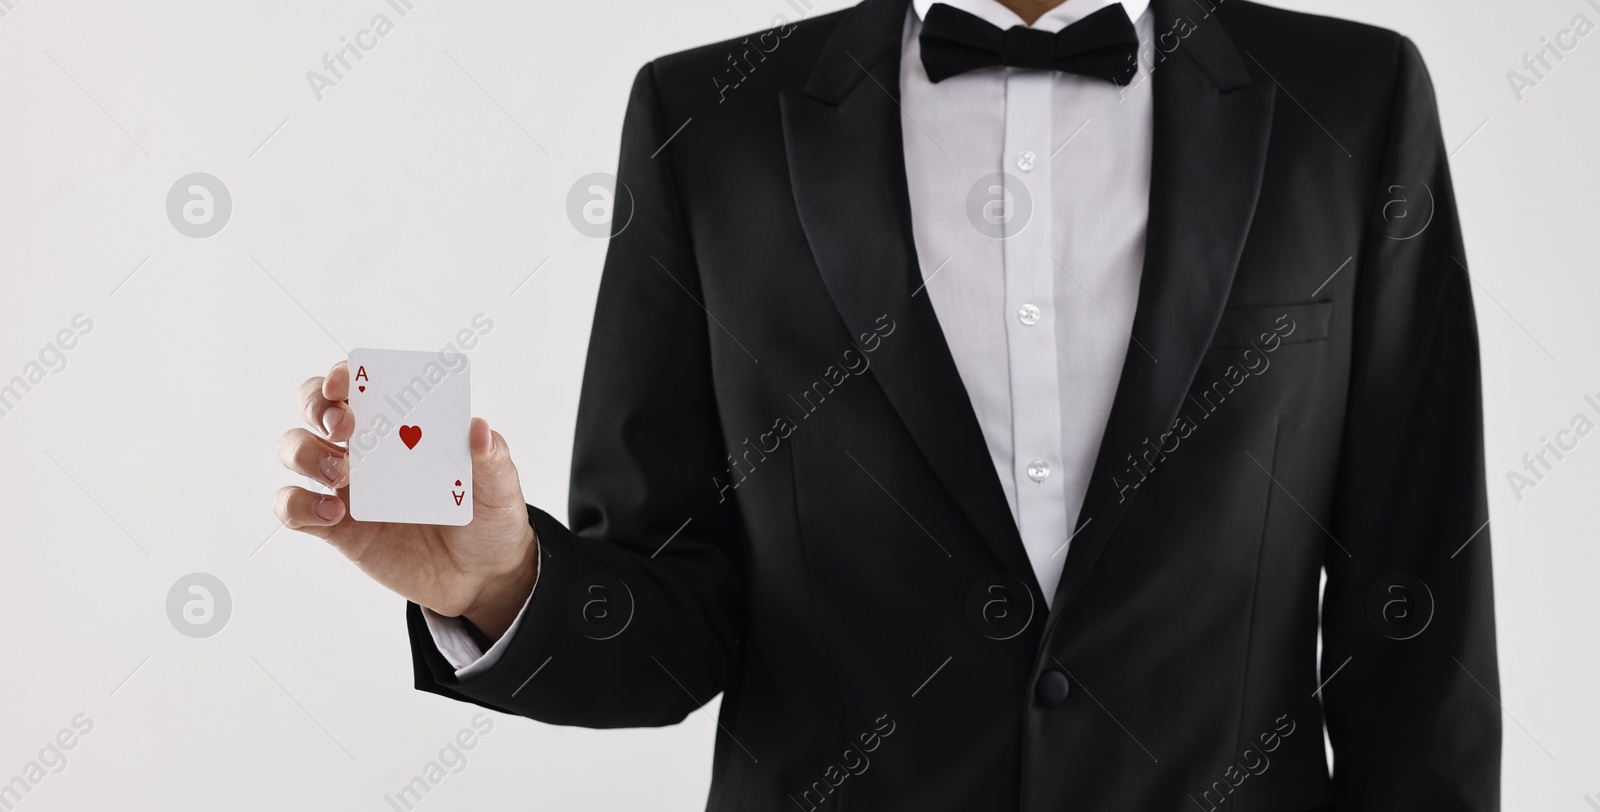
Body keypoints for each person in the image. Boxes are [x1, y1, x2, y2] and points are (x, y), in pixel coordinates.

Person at [275, 0, 1501, 808]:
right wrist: (500, 582)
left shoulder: (1350, 98)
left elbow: (1419, 595)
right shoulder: (712, 119)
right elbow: (677, 626)